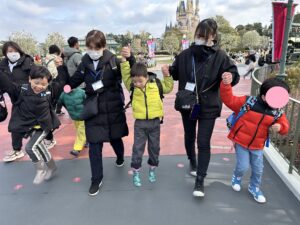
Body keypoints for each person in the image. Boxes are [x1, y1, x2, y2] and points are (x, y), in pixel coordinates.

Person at [166, 18, 240, 197]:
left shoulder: (220, 56)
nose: (200, 38)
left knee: (203, 142)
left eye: (204, 36)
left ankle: (200, 180)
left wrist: (230, 77)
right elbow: (175, 73)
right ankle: (192, 161)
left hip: (209, 105)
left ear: (213, 36)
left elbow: (234, 74)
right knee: (189, 136)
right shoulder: (185, 54)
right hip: (188, 103)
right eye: (198, 35)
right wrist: (168, 71)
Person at [67, 29, 135, 196]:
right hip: (93, 108)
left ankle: (120, 157)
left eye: (96, 48)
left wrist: (130, 58)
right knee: (94, 145)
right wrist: (64, 81)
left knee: (115, 138)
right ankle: (96, 179)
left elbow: (131, 75)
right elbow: (75, 79)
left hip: (112, 107)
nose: (93, 52)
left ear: (103, 46)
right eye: (89, 48)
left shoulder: (114, 61)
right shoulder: (84, 62)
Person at [220, 75, 290, 203]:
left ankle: (254, 187)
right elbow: (229, 100)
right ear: (264, 96)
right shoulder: (248, 102)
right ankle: (237, 176)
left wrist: (280, 127)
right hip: (241, 142)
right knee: (243, 166)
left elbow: (285, 128)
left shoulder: (277, 112)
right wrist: (226, 85)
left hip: (258, 145)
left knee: (258, 169)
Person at [0, 65, 69, 184]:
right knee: (41, 148)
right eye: (36, 82)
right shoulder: (21, 90)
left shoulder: (49, 91)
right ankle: (52, 167)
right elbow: (7, 84)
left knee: (30, 148)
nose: (39, 87)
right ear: (29, 79)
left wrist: (61, 66)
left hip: (44, 127)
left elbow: (61, 81)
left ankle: (40, 170)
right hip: (30, 127)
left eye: (43, 84)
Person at [120, 60, 174, 187]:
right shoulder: (132, 86)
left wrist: (167, 75)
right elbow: (125, 74)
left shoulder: (156, 84)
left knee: (154, 148)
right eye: (135, 81)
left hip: (155, 123)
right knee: (138, 149)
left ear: (146, 77)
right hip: (140, 124)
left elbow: (168, 87)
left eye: (140, 81)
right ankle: (136, 172)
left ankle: (152, 169)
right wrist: (124, 63)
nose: (137, 84)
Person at [0, 41, 34, 162]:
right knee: (15, 125)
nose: (13, 53)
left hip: (28, 97)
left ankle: (49, 139)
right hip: (16, 100)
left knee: (38, 122)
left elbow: (36, 78)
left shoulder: (27, 62)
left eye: (15, 51)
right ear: (5, 53)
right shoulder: (2, 65)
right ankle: (17, 150)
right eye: (10, 51)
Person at [58, 86, 86, 157]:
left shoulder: (81, 92)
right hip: (74, 117)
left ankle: (77, 149)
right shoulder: (63, 94)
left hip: (83, 116)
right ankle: (86, 141)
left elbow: (88, 101)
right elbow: (59, 102)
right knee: (79, 131)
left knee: (81, 131)